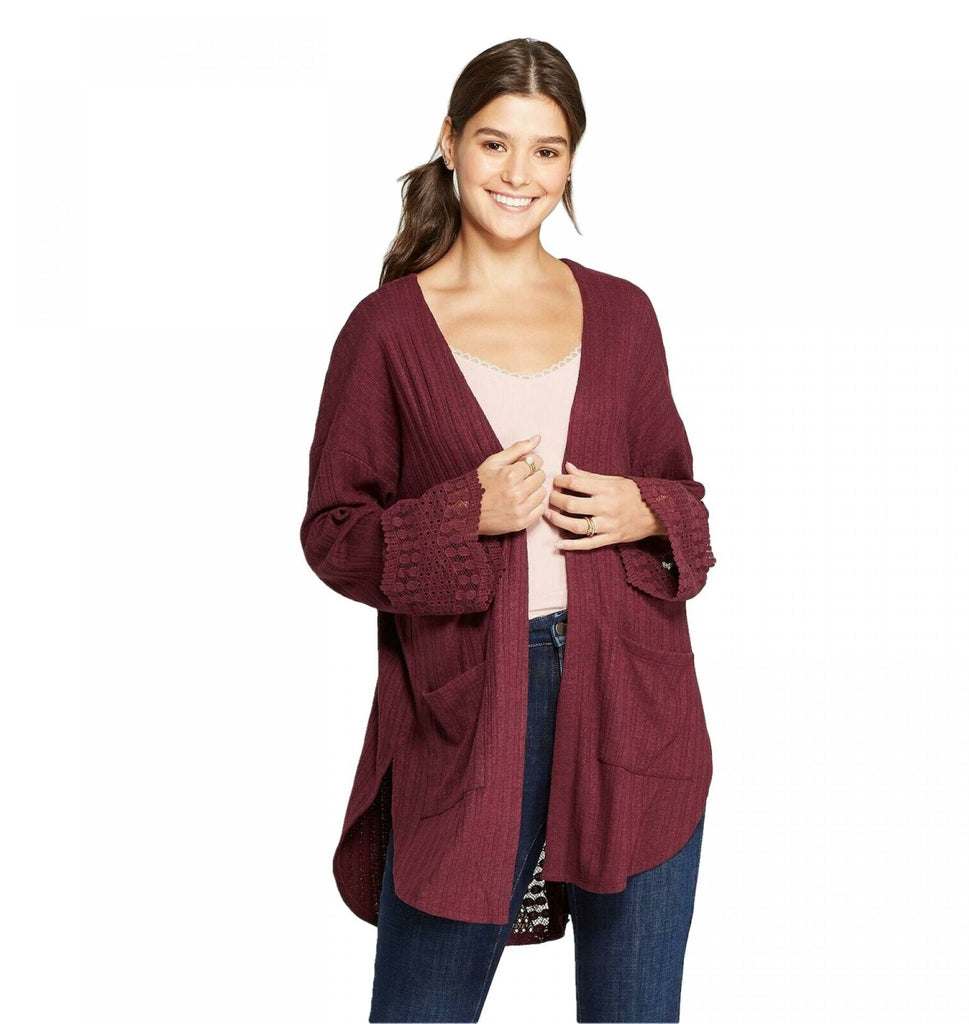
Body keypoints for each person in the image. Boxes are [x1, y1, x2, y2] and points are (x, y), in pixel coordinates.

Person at [299, 36, 717, 1023]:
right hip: (471, 707)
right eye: (495, 143)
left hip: (634, 696)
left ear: (571, 162)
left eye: (547, 149)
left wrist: (646, 509)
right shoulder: (387, 330)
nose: (518, 174)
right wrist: (463, 516)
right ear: (449, 142)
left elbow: (686, 503)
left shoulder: (623, 314)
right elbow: (333, 532)